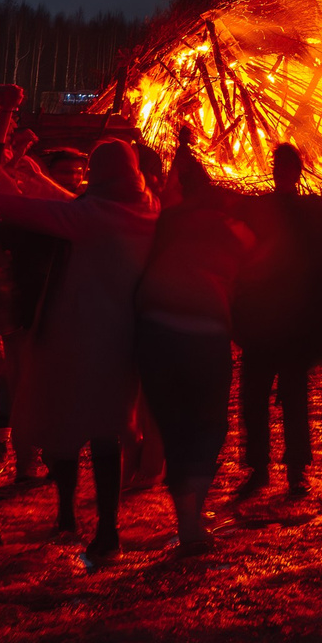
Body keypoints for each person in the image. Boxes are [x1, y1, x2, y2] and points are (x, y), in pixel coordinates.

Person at [0, 138, 157, 566]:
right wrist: (39, 178)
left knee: (61, 425)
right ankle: (106, 526)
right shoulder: (147, 207)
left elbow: (22, 210)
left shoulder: (90, 216)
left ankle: (72, 515)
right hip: (125, 338)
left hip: (71, 334)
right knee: (108, 431)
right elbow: (69, 204)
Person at [134, 150, 253, 554]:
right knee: (206, 423)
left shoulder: (162, 223)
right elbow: (252, 264)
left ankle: (188, 517)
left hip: (156, 329)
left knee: (173, 424)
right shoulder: (229, 227)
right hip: (205, 332)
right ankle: (191, 520)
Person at [233, 142, 322, 499]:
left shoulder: (308, 212)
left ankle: (296, 471)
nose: (281, 172)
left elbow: (319, 268)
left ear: (297, 172)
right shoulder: (259, 208)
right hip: (261, 320)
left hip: (291, 323)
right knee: (255, 399)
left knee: (293, 398)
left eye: (287, 167)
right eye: (277, 166)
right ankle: (259, 468)